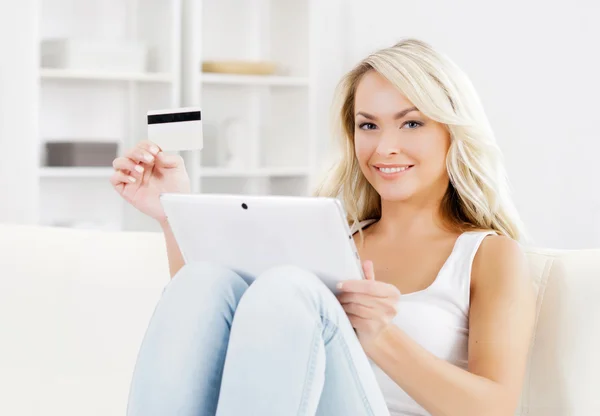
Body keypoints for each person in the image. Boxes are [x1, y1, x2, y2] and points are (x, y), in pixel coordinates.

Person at [110, 38, 536, 416]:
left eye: (411, 122)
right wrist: (171, 213)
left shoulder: (489, 255)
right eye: (368, 125)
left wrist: (381, 338)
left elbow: (495, 408)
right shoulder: (329, 237)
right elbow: (205, 322)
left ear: (452, 132)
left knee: (289, 287)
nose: (384, 146)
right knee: (205, 279)